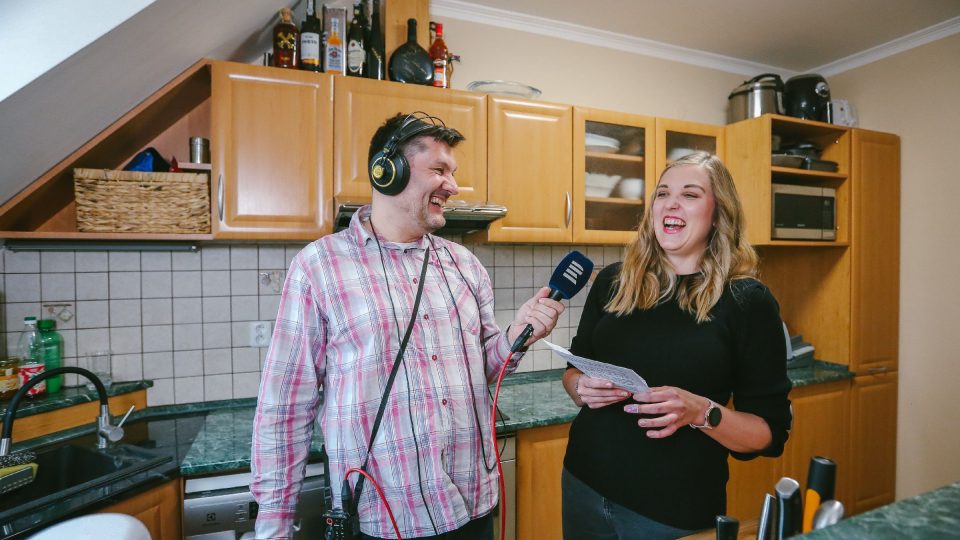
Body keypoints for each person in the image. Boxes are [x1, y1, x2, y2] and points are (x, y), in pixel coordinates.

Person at [250, 112, 565, 540]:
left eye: (453, 173)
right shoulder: (318, 267)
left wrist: (516, 335)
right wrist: (274, 523)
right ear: (388, 170)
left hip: (472, 505)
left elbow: (486, 369)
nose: (453, 186)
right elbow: (285, 406)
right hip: (383, 516)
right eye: (439, 170)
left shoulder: (465, 265)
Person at [560, 152, 793, 539]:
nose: (671, 203)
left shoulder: (747, 302)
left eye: (690, 194)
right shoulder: (614, 282)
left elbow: (769, 433)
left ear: (718, 214)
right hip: (582, 483)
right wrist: (580, 388)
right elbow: (573, 370)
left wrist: (701, 411)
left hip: (671, 508)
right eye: (663, 193)